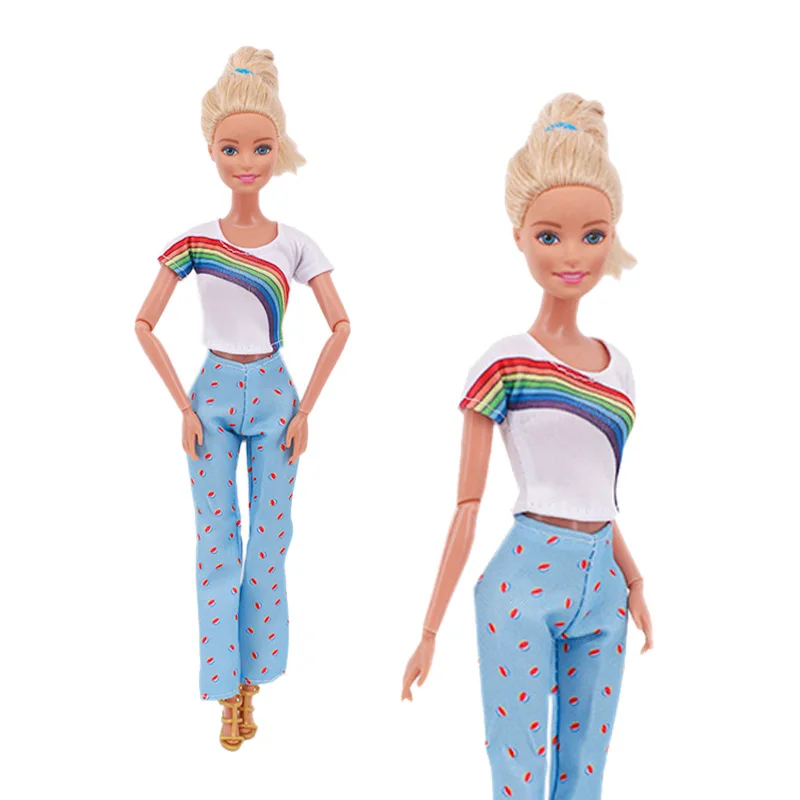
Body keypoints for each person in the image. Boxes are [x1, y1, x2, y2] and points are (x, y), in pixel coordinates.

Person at [402, 93, 653, 799]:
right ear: (519, 236)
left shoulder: (620, 369)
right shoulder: (505, 362)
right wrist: (429, 629)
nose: (572, 255)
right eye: (550, 235)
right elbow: (467, 504)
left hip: (605, 581)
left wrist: (634, 580)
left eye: (592, 235)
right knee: (517, 770)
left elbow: (600, 492)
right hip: (524, 578)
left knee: (585, 770)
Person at [135, 46, 350, 750]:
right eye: (231, 148)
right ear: (212, 151)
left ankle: (256, 676)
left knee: (270, 539)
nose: (246, 161)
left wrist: (306, 409)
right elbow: (143, 323)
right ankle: (225, 687)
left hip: (277, 393)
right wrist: (184, 406)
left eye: (259, 147)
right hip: (212, 392)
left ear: (277, 148)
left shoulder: (296, 244)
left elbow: (342, 325)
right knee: (215, 540)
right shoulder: (195, 241)